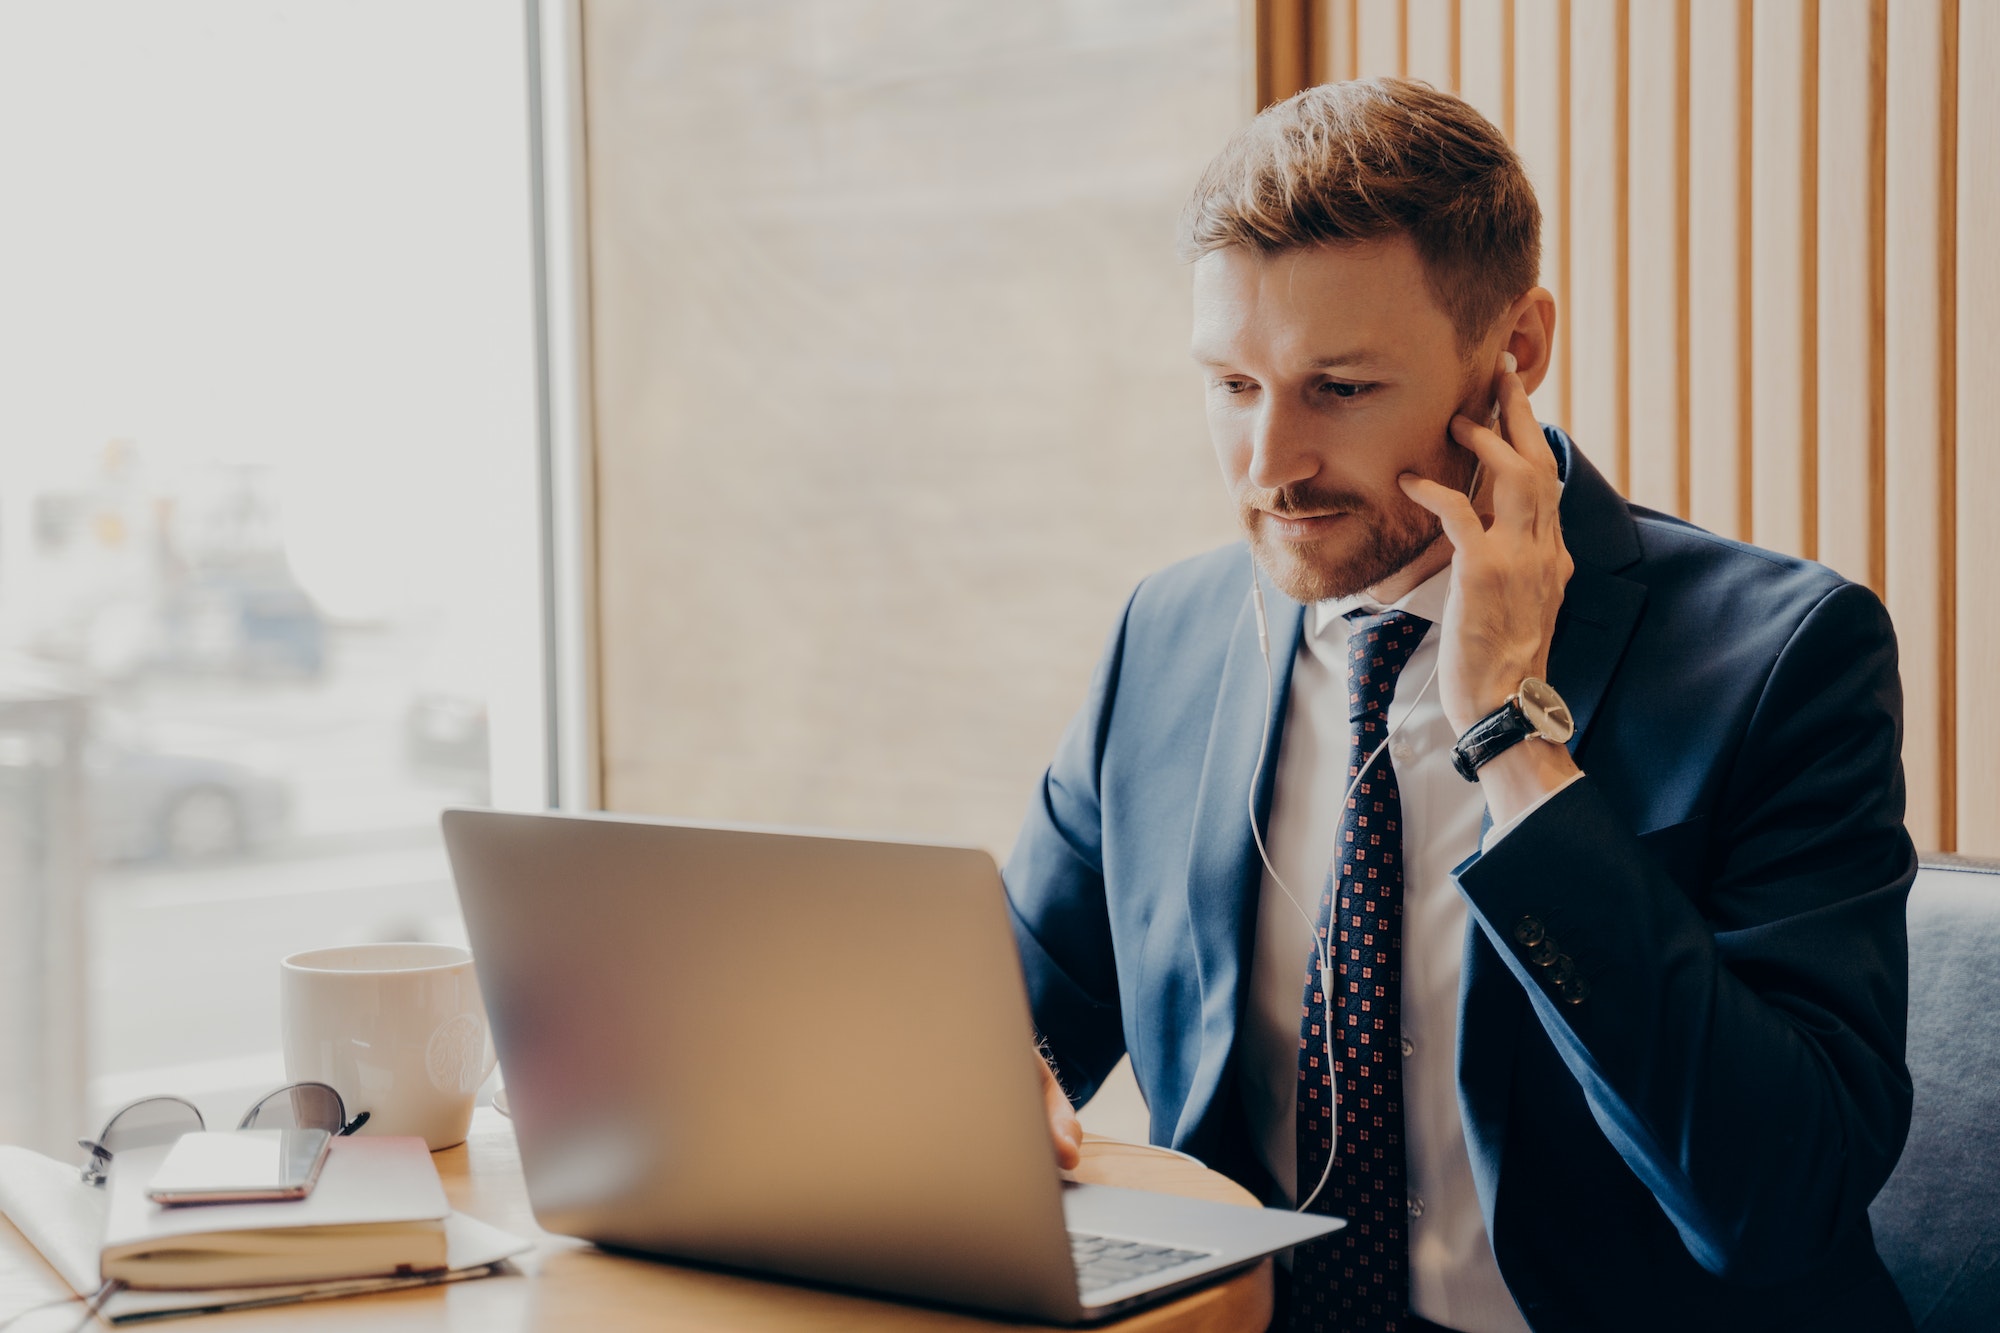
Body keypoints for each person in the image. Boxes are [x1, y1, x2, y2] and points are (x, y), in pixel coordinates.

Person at [1005, 78, 1915, 1333]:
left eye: (1338, 388)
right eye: (1230, 388)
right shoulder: (1166, 638)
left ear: (1515, 348)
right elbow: (1010, 1016)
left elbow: (1773, 1198)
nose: (1269, 468)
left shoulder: (1779, 658)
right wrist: (991, 1085)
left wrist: (1508, 742)